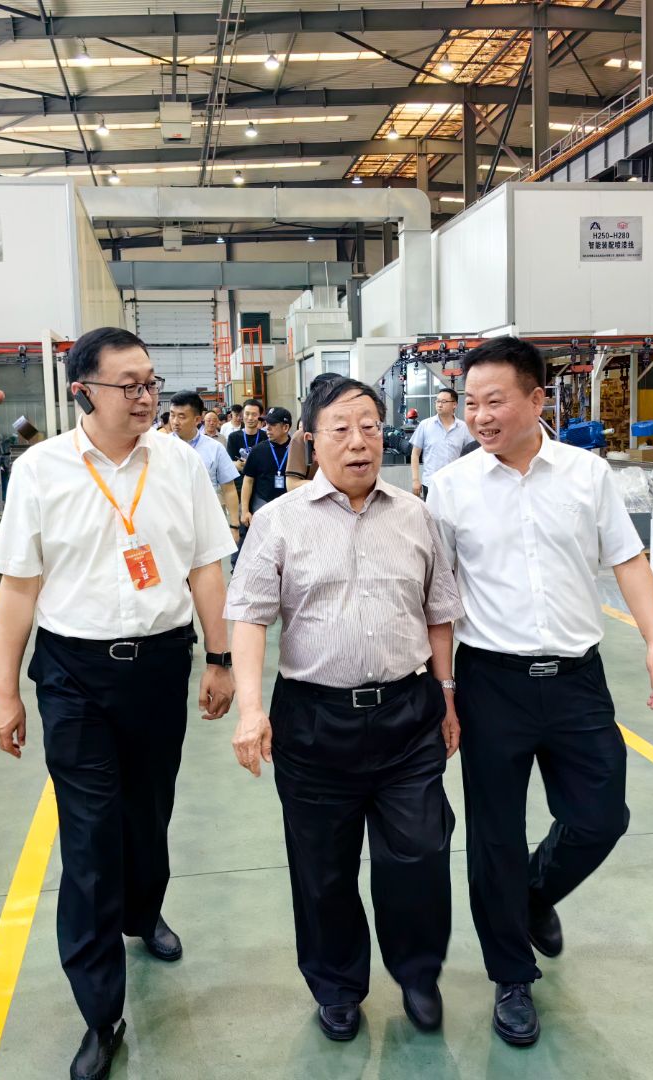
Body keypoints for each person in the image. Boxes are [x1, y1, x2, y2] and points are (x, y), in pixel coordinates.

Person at [0, 327, 236, 1080]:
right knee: (91, 839)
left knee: (148, 813)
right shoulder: (41, 471)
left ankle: (143, 910)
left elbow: (206, 567)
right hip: (74, 675)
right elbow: (19, 587)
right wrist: (6, 691)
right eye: (128, 385)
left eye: (150, 382)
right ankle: (101, 1012)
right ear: (83, 391)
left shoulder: (180, 463)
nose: (146, 397)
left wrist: (220, 657)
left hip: (159, 666)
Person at [425, 336, 653, 1048]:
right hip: (491, 681)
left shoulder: (586, 474)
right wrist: (444, 691)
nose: (480, 416)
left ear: (538, 399)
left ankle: (534, 894)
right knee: (495, 838)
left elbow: (627, 559)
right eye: (470, 403)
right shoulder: (451, 488)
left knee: (600, 817)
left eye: (495, 401)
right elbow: (438, 601)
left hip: (576, 680)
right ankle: (511, 976)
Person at [227, 377, 463, 1041]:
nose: (359, 441)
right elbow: (249, 618)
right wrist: (251, 709)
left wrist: (447, 695)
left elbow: (439, 614)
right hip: (313, 720)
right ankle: (336, 984)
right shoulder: (278, 521)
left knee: (419, 854)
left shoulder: (415, 516)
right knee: (322, 867)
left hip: (407, 713)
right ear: (312, 437)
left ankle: (418, 973)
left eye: (370, 427)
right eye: (341, 428)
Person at [169, 390, 241, 547]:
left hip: (208, 519)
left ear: (197, 419)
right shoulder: (161, 447)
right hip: (172, 521)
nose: (175, 421)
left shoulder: (215, 448)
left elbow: (229, 488)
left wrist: (234, 525)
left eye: (181, 416)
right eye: (172, 415)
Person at [225, 399, 267, 566]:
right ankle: (236, 565)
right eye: (247, 414)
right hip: (239, 487)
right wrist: (240, 465)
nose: (250, 418)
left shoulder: (264, 436)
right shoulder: (234, 437)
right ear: (242, 415)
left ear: (260, 416)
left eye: (254, 414)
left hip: (260, 488)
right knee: (241, 526)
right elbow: (230, 463)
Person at [410, 387, 472, 498]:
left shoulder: (463, 428)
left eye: (443, 401)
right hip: (431, 484)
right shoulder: (425, 425)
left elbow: (471, 456)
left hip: (455, 484)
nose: (439, 405)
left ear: (454, 404)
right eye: (437, 401)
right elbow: (415, 454)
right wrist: (415, 480)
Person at [240, 407, 294, 527]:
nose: (267, 428)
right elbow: (248, 480)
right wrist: (245, 511)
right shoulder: (258, 450)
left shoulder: (297, 449)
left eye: (273, 424)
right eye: (267, 423)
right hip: (262, 507)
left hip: (291, 509)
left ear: (285, 427)